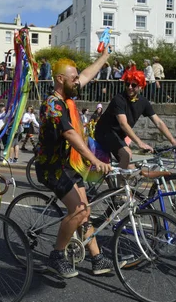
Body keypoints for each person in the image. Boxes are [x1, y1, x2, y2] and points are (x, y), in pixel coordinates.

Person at [35, 54, 118, 278]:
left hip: (68, 164)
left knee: (85, 212)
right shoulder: (52, 105)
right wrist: (95, 160)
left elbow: (87, 75)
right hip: (51, 167)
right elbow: (70, 134)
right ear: (61, 79)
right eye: (74, 79)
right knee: (79, 211)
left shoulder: (68, 94)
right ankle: (57, 254)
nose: (78, 82)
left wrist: (104, 58)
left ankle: (97, 258)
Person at [94, 66, 176, 169]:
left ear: (141, 87)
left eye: (133, 85)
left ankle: (120, 182)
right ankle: (120, 185)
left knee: (131, 168)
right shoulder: (119, 99)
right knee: (127, 154)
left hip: (118, 135)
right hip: (105, 132)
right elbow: (123, 124)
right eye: (127, 84)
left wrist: (173, 141)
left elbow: (158, 122)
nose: (130, 87)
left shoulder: (143, 102)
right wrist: (140, 143)